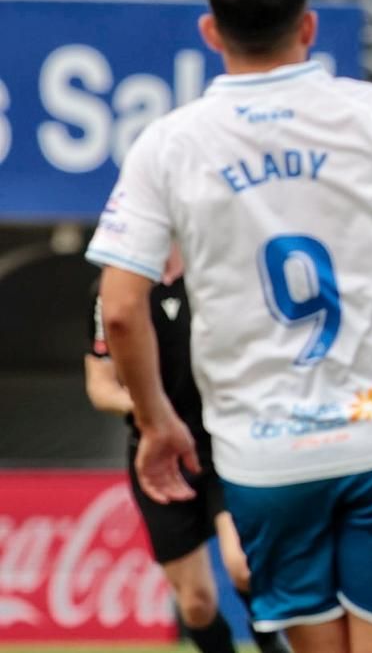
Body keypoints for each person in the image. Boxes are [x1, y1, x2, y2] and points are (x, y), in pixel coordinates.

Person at [87, 0, 372, 653]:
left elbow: (121, 309)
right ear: (308, 25)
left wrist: (157, 424)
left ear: (211, 31)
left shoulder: (168, 143)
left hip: (263, 457)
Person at [85, 250, 288, 653]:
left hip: (222, 447)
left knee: (243, 566)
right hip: (157, 457)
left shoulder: (217, 275)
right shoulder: (115, 292)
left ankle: (271, 642)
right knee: (196, 604)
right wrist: (151, 412)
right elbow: (100, 385)